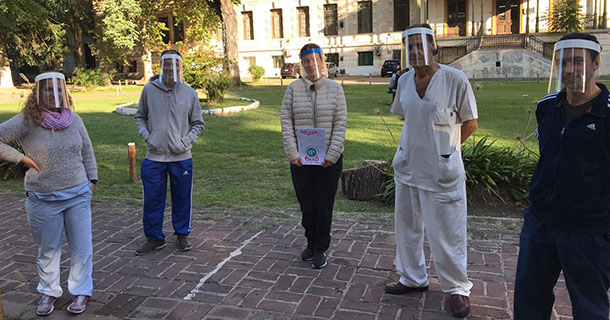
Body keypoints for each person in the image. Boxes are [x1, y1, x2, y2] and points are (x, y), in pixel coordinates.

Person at [384, 24, 478, 319]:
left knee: (447, 231)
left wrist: (448, 151)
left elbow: (470, 123)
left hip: (441, 172)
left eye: (420, 45)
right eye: (409, 46)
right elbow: (407, 117)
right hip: (409, 167)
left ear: (434, 46)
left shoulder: (454, 79)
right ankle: (412, 277)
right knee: (407, 227)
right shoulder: (404, 80)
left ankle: (457, 288)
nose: (415, 52)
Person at [514, 33, 610, 320]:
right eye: (564, 62)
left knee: (590, 305)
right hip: (541, 221)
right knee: (529, 297)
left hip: (589, 229)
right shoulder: (547, 107)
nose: (569, 70)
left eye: (578, 62)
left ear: (596, 64)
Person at [0, 72, 98, 316]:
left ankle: (81, 291)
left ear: (65, 92)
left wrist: (92, 181)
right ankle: (49, 291)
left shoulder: (74, 119)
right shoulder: (27, 121)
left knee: (81, 248)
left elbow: (87, 150)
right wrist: (21, 158)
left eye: (58, 89)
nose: (53, 95)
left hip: (78, 195)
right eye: (47, 90)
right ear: (38, 93)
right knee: (49, 249)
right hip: (43, 199)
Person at [280, 43, 347, 269]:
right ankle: (310, 240)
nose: (311, 65)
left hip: (329, 159)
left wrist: (333, 153)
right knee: (307, 203)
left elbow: (340, 124)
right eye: (306, 61)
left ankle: (321, 247)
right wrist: (292, 152)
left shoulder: (335, 89)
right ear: (302, 63)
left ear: (322, 61)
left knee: (323, 204)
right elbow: (286, 122)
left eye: (315, 60)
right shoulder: (292, 89)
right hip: (301, 160)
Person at [134, 49, 204, 255]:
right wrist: (148, 137)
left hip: (181, 156)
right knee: (152, 198)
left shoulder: (189, 93)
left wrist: (185, 142)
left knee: (182, 197)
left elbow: (198, 123)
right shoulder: (149, 90)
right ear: (161, 66)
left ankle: (182, 234)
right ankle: (154, 237)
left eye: (174, 65)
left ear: (180, 67)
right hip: (154, 156)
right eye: (166, 64)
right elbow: (140, 116)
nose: (170, 69)